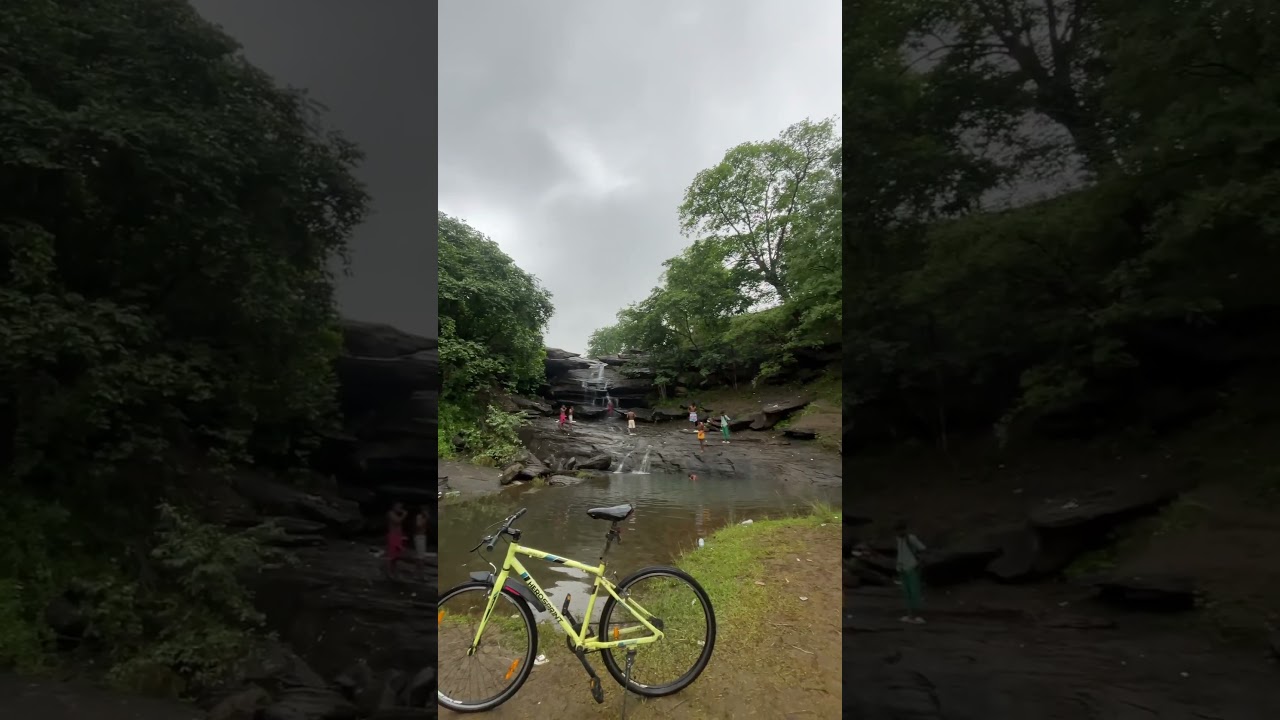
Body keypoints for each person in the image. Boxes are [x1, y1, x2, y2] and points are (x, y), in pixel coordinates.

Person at [894, 522, 928, 624]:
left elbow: (922, 549)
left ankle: (916, 615)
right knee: (906, 593)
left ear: (905, 529)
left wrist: (918, 563)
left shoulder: (911, 538)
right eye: (898, 530)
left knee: (914, 592)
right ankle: (910, 615)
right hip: (902, 569)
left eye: (901, 530)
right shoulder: (898, 539)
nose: (900, 532)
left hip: (911, 568)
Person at [385, 501, 407, 577]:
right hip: (392, 536)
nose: (400, 509)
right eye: (398, 507)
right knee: (391, 555)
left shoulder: (397, 514)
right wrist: (404, 515)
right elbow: (397, 521)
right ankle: (388, 572)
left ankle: (394, 571)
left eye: (401, 507)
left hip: (398, 536)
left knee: (396, 556)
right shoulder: (390, 513)